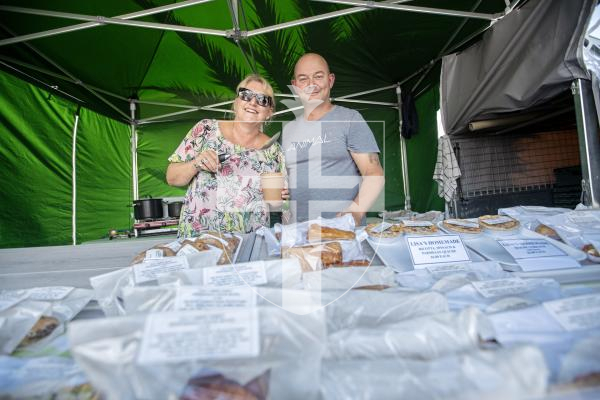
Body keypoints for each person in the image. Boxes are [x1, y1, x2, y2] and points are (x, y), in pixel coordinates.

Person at [166, 74, 285, 237]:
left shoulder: (274, 151)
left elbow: (278, 205)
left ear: (269, 112)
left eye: (263, 99)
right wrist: (196, 163)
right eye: (246, 95)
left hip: (249, 243)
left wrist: (282, 199)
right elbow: (172, 178)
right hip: (199, 240)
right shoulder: (206, 130)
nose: (253, 102)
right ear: (235, 102)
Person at [282, 53, 384, 225]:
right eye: (303, 79)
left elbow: (374, 172)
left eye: (318, 76)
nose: (311, 84)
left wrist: (356, 213)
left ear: (330, 80)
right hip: (296, 235)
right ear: (295, 85)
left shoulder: (350, 119)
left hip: (341, 233)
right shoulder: (288, 130)